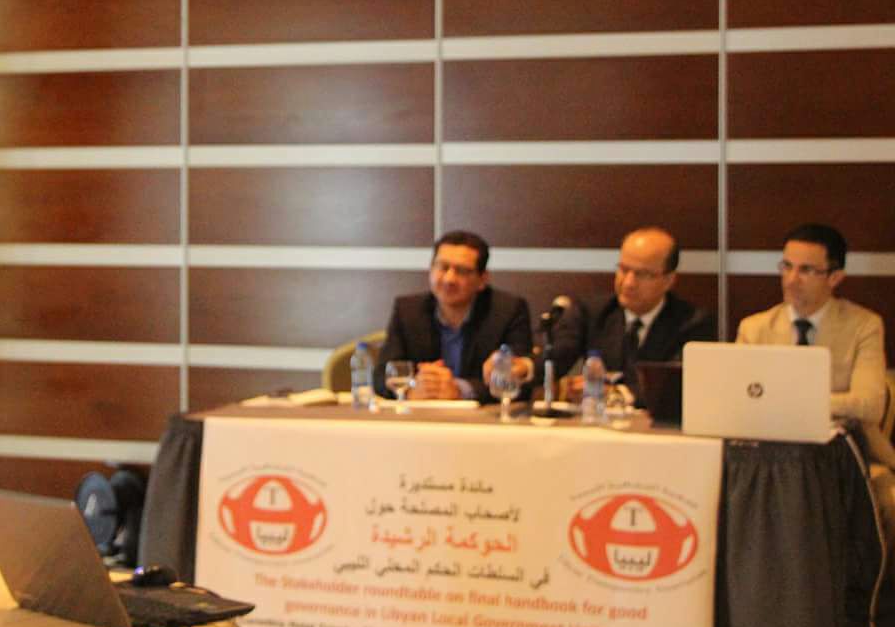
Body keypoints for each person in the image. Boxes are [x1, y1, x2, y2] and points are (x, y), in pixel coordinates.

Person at [737, 223, 885, 433]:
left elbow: (870, 405)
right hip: (770, 436)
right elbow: (739, 399)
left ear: (835, 277)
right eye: (787, 266)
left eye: (806, 270)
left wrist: (793, 403)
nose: (791, 280)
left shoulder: (864, 326)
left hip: (836, 441)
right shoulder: (754, 328)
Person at [551, 227, 715, 397]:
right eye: (623, 269)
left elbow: (677, 388)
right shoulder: (591, 312)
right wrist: (534, 371)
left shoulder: (693, 324)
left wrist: (617, 393)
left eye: (642, 274)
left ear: (669, 280)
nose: (628, 283)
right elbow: (555, 359)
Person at [373, 230, 531, 401]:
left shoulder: (508, 311)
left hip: (481, 416)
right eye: (442, 267)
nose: (449, 279)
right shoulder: (407, 310)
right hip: (422, 413)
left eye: (462, 271)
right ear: (430, 269)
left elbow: (521, 381)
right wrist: (411, 388)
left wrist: (461, 390)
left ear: (482, 280)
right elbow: (381, 375)